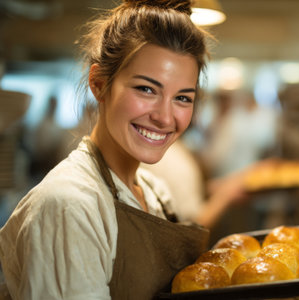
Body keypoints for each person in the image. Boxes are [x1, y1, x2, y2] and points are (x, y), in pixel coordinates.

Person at [0, 0, 227, 299]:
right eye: (146, 89)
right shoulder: (69, 205)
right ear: (99, 83)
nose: (165, 117)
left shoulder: (154, 191)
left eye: (183, 98)